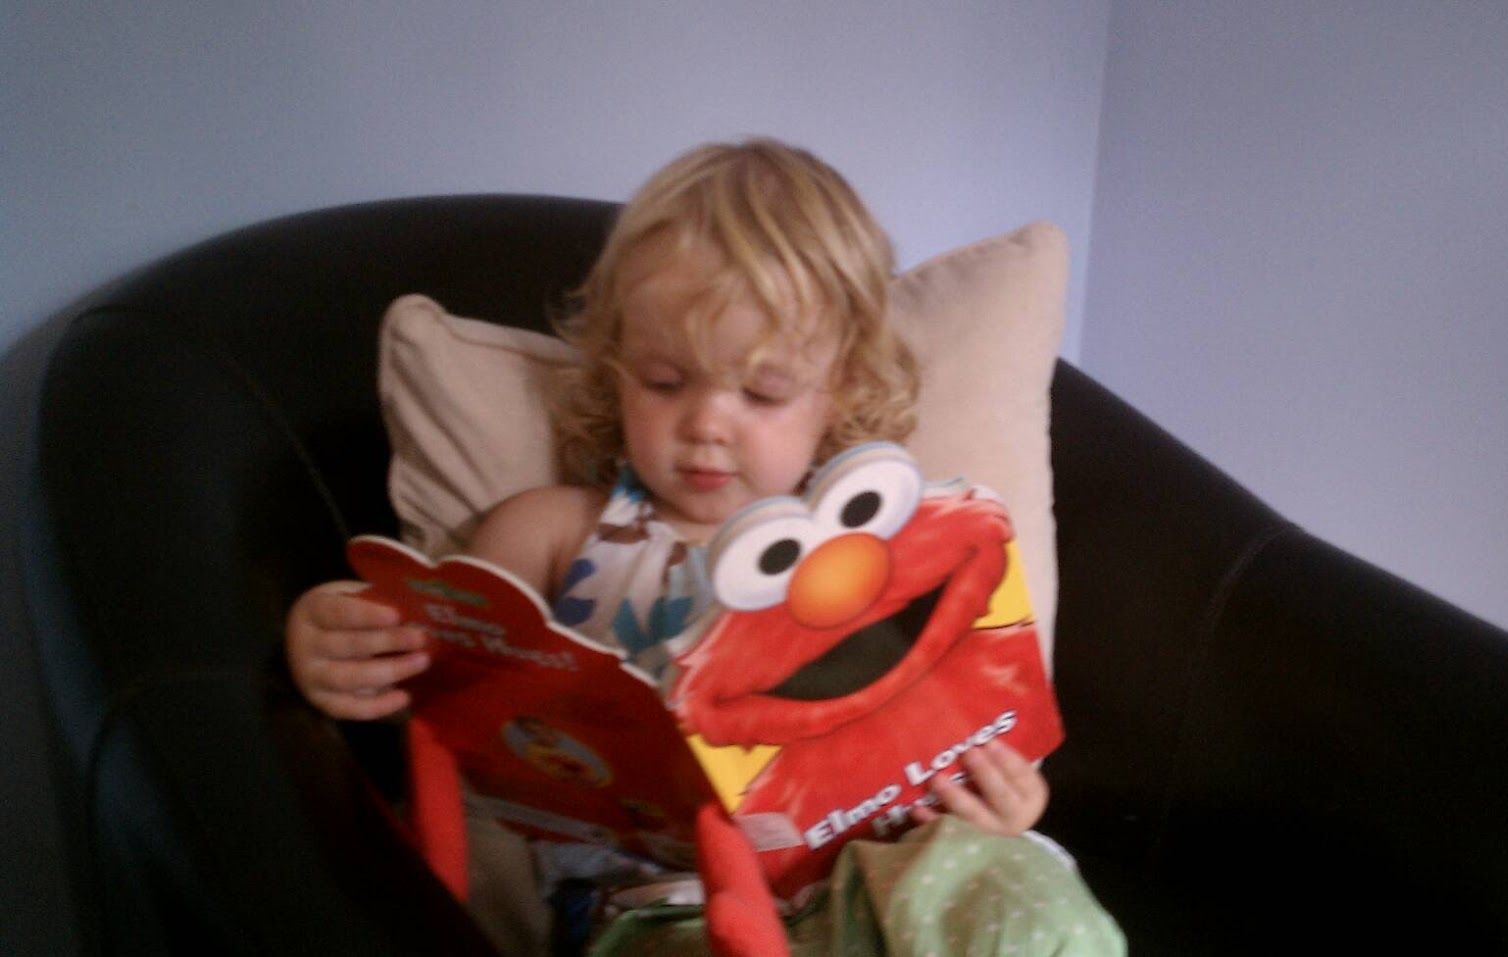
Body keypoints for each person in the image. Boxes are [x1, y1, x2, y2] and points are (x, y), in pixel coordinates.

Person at [286, 138, 1122, 956]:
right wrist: (339, 637)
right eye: (664, 381)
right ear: (616, 367)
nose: (707, 424)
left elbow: (955, 738)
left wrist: (1005, 807)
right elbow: (440, 673)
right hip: (665, 910)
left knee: (1032, 907)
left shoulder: (884, 552)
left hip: (881, 880)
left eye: (763, 391)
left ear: (838, 391)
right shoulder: (555, 530)